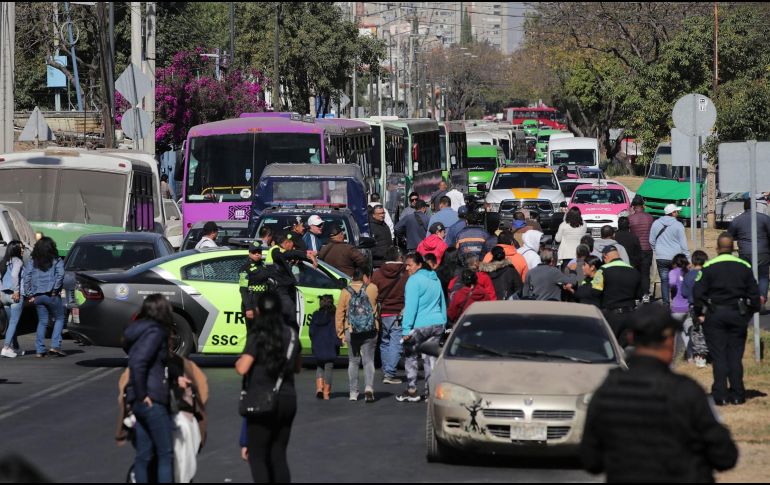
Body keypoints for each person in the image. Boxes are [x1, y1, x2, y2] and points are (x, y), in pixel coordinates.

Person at [580, 305, 738, 482]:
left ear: (631, 337)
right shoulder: (687, 392)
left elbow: (591, 460)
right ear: (670, 340)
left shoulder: (607, 392)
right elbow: (725, 456)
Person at [235, 293, 301, 483]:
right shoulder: (291, 335)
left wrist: (238, 362)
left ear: (259, 311)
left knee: (257, 455)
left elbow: (243, 367)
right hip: (287, 399)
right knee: (279, 453)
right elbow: (297, 367)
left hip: (261, 399)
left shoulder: (258, 335)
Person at [693, 233, 760, 406]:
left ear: (717, 248)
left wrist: (700, 313)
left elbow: (697, 293)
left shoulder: (708, 266)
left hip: (715, 315)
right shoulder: (744, 266)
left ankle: (721, 395)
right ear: (733, 249)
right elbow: (754, 295)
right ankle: (738, 394)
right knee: (735, 356)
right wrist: (749, 313)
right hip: (737, 315)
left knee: (719, 355)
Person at [122, 294, 174, 483]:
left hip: (137, 400)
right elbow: (139, 362)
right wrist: (144, 394)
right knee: (165, 454)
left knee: (144, 454)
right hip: (152, 399)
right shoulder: (155, 332)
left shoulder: (136, 331)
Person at [397, 252, 447, 403]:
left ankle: (412, 389)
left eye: (409, 265)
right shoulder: (435, 278)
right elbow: (442, 301)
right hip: (437, 322)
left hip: (420, 324)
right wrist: (443, 320)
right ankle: (430, 392)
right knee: (430, 359)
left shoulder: (413, 281)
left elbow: (411, 307)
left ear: (419, 265)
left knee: (411, 354)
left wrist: (406, 329)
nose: (407, 268)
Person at [336, 268, 379, 402]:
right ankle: (369, 387)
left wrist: (340, 333)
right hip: (370, 330)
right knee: (369, 361)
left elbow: (339, 314)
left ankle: (353, 393)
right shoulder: (372, 288)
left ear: (352, 277)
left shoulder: (345, 291)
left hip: (351, 330)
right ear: (364, 277)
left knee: (353, 362)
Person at [370, 246, 409, 385]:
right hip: (398, 312)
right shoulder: (406, 273)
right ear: (400, 258)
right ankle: (390, 373)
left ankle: (387, 370)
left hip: (382, 312)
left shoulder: (377, 273)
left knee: (385, 342)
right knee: (396, 343)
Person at [24, 237, 65, 358]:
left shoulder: (33, 261)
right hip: (51, 294)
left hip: (37, 296)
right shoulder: (56, 260)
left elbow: (26, 278)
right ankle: (55, 345)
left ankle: (40, 349)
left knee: (42, 321)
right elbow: (61, 274)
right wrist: (55, 290)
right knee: (60, 318)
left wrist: (29, 294)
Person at [592, 245, 642, 343]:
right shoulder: (633, 270)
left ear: (605, 256)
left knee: (610, 346)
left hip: (611, 316)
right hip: (630, 315)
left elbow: (595, 293)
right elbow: (639, 294)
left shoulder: (602, 270)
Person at [728, 197, 770, 303]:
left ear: (744, 207)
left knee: (746, 275)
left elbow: (729, 236)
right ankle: (761, 298)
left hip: (745, 252)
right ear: (755, 206)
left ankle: (747, 299)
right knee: (763, 276)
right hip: (762, 252)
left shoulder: (737, 220)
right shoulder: (765, 218)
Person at [271, 233, 317, 327]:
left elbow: (288, 256)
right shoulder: (276, 251)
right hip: (280, 289)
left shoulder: (281, 251)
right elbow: (287, 254)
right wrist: (306, 254)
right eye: (293, 244)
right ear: (287, 243)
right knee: (291, 317)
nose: (293, 247)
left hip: (285, 288)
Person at [650, 204, 690, 305]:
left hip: (661, 256)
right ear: (673, 213)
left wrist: (657, 249)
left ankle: (665, 303)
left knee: (664, 280)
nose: (678, 213)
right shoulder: (678, 225)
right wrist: (687, 258)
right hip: (675, 257)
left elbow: (651, 240)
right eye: (677, 211)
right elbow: (683, 244)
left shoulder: (656, 223)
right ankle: (676, 299)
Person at [681, 250, 710, 368]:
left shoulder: (688, 275)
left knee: (697, 332)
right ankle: (707, 356)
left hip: (693, 306)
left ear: (692, 261)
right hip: (707, 306)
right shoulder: (707, 274)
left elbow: (683, 293)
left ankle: (699, 357)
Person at [309, 295, 339, 400]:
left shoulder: (315, 315)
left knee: (319, 367)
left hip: (318, 346)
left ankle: (319, 389)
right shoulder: (333, 316)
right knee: (328, 369)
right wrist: (339, 343)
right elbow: (336, 332)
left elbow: (311, 332)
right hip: (330, 347)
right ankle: (326, 393)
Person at [239, 241, 274, 330]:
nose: (257, 254)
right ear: (249, 253)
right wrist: (248, 308)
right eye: (254, 252)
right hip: (252, 301)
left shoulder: (264, 265)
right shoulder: (245, 268)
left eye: (259, 252)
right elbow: (243, 289)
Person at [1, 241, 24, 358]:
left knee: (11, 324)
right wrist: (16, 291)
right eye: (21, 247)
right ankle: (6, 347)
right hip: (14, 296)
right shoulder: (18, 261)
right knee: (14, 323)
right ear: (15, 249)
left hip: (4, 295)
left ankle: (16, 347)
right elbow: (15, 275)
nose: (23, 249)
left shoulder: (4, 261)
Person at [629, 195, 655, 302]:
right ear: (643, 205)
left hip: (635, 250)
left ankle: (636, 294)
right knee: (645, 273)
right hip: (647, 248)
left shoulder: (630, 219)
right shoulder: (650, 217)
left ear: (634, 206)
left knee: (635, 272)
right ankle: (645, 295)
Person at [668, 253, 691, 359]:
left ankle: (672, 357)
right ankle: (690, 357)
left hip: (677, 308)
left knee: (673, 335)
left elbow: (672, 284)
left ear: (674, 263)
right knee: (687, 334)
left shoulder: (673, 272)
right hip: (688, 308)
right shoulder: (689, 272)